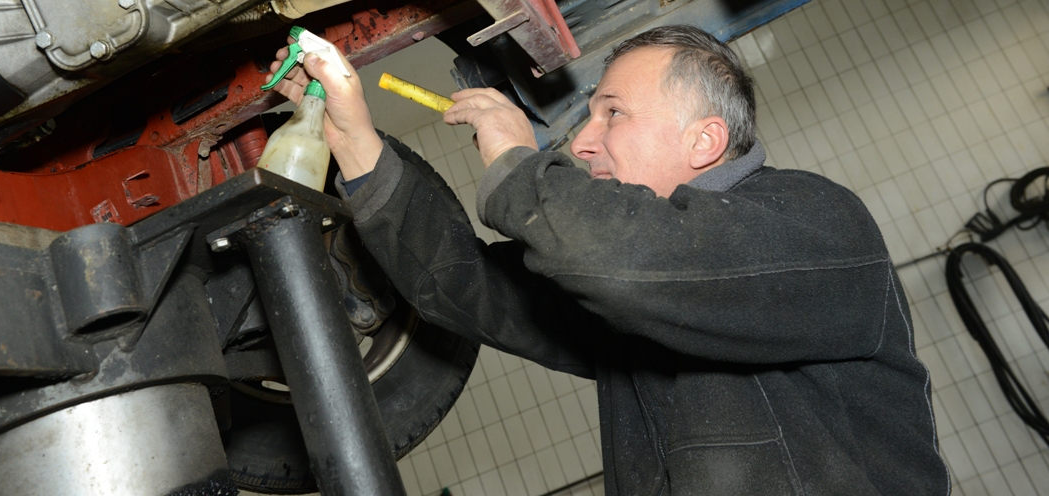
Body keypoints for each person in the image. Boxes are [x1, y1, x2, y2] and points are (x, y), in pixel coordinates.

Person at [269, 25, 950, 495]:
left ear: (704, 139)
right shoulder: (632, 302)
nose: (583, 144)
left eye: (611, 113)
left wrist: (516, 160)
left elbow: (620, 259)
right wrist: (354, 141)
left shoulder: (813, 221)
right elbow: (459, 285)